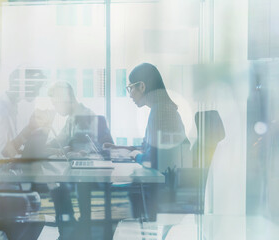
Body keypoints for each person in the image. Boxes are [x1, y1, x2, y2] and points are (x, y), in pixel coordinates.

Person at [105, 63, 190, 221]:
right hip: (165, 184)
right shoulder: (161, 109)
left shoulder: (160, 112)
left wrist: (135, 155)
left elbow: (153, 160)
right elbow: (149, 148)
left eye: (130, 88)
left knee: (114, 188)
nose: (130, 94)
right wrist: (121, 148)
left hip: (161, 190)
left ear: (142, 86)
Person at [46, 82, 113, 239]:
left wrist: (72, 152)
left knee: (56, 187)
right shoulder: (72, 119)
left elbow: (87, 151)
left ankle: (70, 230)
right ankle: (70, 229)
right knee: (55, 185)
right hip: (80, 176)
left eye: (56, 103)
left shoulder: (86, 117)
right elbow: (60, 141)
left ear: (66, 99)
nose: (55, 108)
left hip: (89, 177)